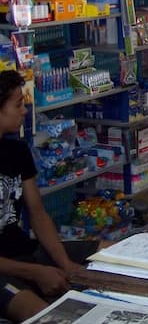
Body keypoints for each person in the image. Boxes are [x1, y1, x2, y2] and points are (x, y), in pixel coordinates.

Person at [0, 70, 97, 322]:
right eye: (18, 104)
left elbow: (38, 213)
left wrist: (63, 262)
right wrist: (36, 272)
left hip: (23, 251)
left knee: (116, 253)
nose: (24, 111)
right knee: (46, 316)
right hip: (6, 268)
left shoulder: (16, 150)